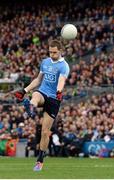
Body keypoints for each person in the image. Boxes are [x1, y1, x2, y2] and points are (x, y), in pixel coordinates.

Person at [14, 40, 70, 171]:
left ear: (60, 51)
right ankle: (31, 107)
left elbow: (61, 81)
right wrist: (24, 90)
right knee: (35, 95)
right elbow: (38, 80)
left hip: (54, 99)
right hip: (43, 92)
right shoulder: (45, 62)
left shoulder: (64, 66)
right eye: (50, 51)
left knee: (45, 132)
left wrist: (59, 91)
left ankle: (40, 160)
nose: (52, 54)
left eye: (54, 52)